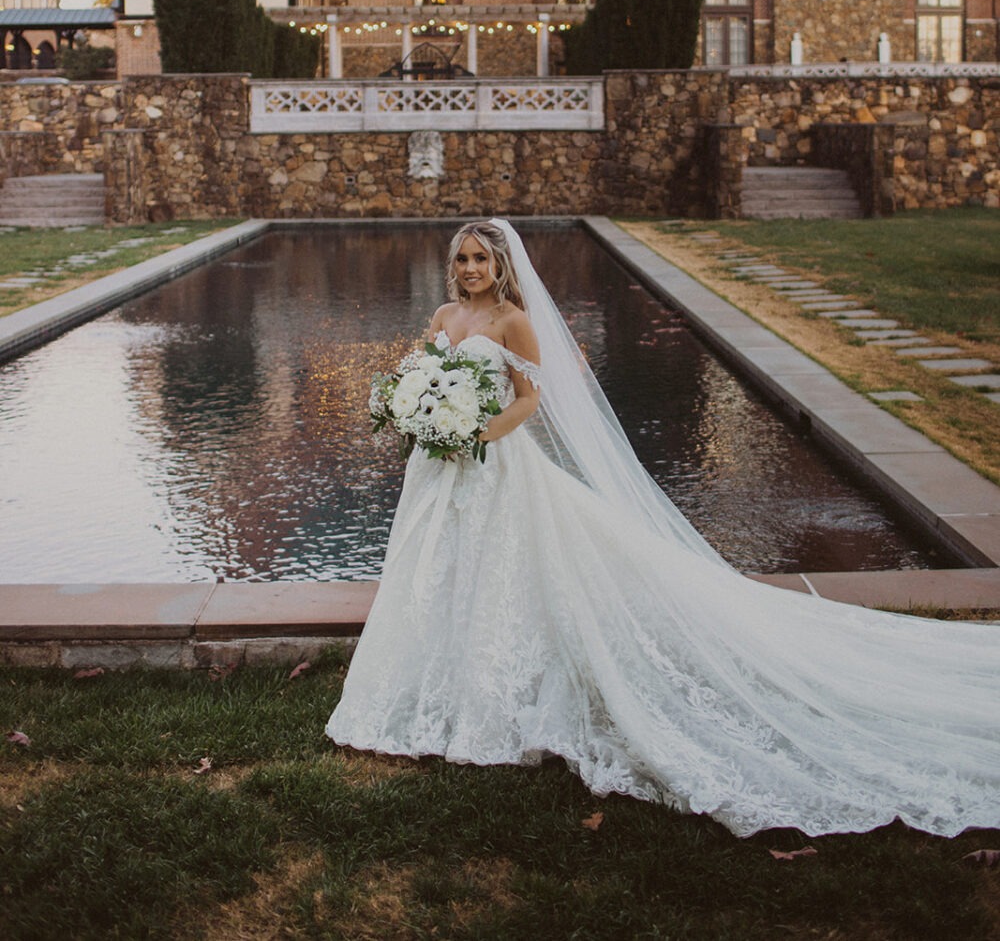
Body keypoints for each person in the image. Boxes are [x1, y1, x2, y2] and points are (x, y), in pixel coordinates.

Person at [326, 219, 1000, 838]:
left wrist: (476, 430)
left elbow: (531, 398)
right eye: (461, 258)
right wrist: (416, 412)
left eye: (480, 258)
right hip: (436, 466)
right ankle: (429, 683)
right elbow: (419, 373)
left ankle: (495, 696)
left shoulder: (513, 322)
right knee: (434, 566)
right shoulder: (444, 314)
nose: (469, 268)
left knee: (502, 565)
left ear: (500, 265)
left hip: (491, 458)